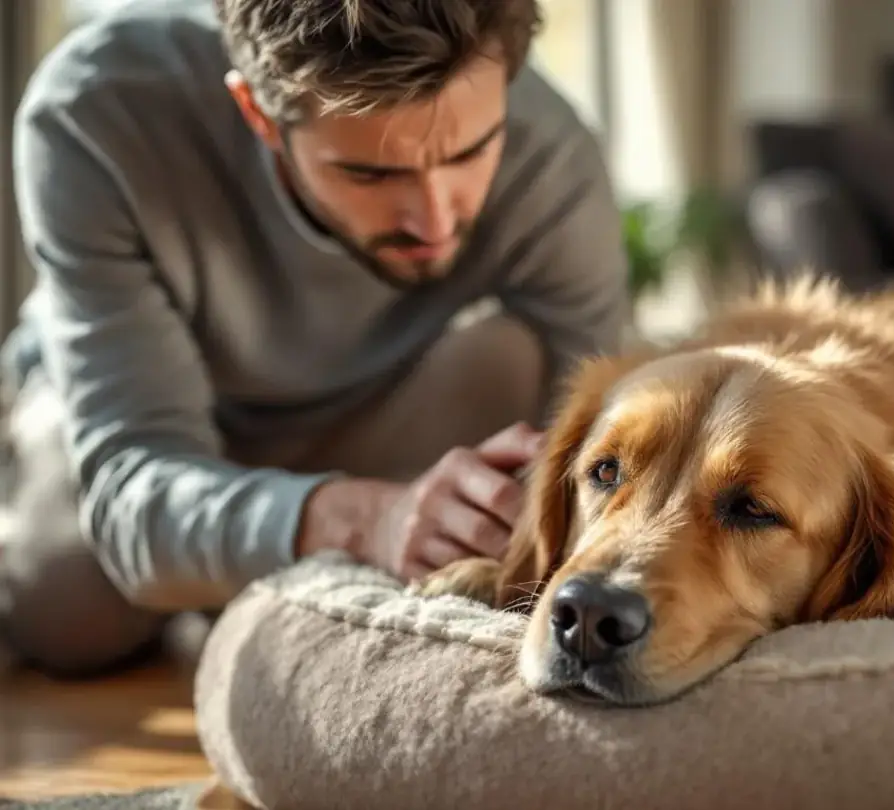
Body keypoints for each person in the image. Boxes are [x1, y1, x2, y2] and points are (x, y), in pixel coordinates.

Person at [0, 0, 628, 678]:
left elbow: (605, 451)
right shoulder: (95, 111)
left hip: (365, 408)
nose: (433, 219)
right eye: (370, 173)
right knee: (65, 613)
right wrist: (363, 521)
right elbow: (136, 485)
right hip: (141, 416)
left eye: (473, 151)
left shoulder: (554, 150)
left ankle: (245, 568)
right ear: (258, 115)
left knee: (545, 376)